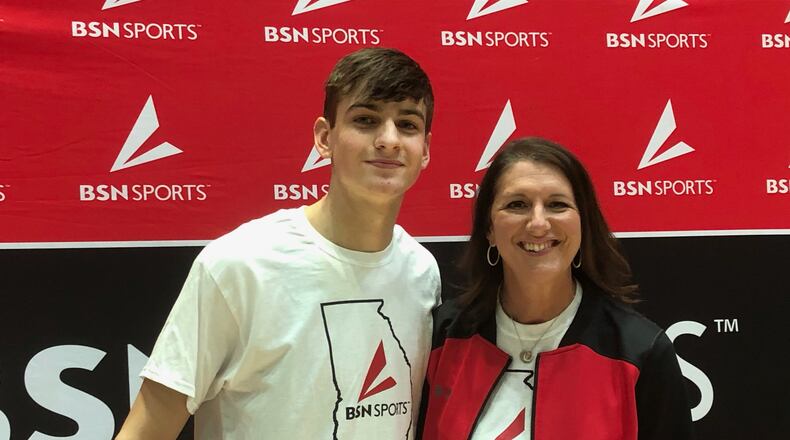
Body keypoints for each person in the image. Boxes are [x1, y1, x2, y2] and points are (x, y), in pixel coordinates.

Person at [116, 47, 440, 439]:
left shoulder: (421, 273)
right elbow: (147, 430)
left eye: (407, 125)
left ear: (424, 150)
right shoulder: (239, 264)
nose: (388, 140)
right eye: (366, 120)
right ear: (325, 138)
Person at [419, 137, 693, 440]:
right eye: (517, 204)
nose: (538, 224)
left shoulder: (639, 352)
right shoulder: (443, 337)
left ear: (582, 225)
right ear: (489, 230)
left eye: (557, 205)